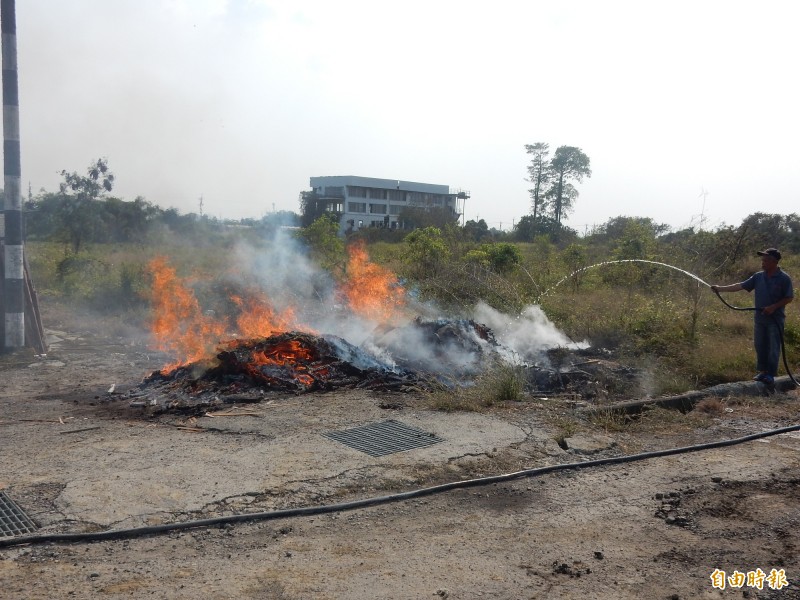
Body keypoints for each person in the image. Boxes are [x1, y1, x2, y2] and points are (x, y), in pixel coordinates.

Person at [711, 248, 793, 385]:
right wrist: (720, 288)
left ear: (774, 262)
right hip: (760, 319)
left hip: (775, 320)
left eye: (765, 260)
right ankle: (762, 372)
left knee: (773, 347)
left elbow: (789, 297)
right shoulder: (758, 276)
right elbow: (740, 286)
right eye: (762, 260)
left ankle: (771, 374)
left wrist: (773, 307)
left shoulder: (784, 278)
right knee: (760, 345)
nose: (762, 263)